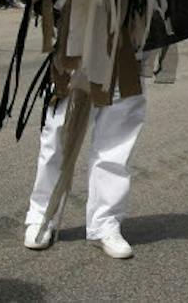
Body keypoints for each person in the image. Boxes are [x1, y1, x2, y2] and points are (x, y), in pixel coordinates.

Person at [23, 36, 146, 260]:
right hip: (76, 39)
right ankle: (42, 215)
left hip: (129, 44)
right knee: (58, 132)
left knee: (116, 143)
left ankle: (105, 223)